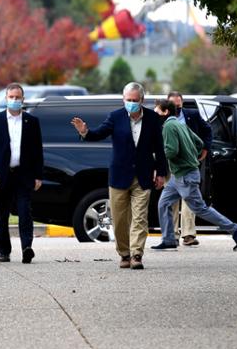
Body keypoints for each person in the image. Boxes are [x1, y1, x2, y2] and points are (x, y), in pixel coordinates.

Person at [71, 82, 167, 270]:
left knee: (140, 217)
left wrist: (161, 173)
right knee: (119, 218)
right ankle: (124, 254)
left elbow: (159, 149)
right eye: (128, 100)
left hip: (143, 175)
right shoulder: (115, 117)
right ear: (123, 100)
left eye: (135, 100)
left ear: (142, 100)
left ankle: (137, 254)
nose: (131, 103)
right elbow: (99, 134)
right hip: (119, 176)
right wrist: (85, 131)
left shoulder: (153, 119)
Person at [151, 99, 237, 251]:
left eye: (157, 112)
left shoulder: (168, 126)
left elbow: (172, 151)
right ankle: (168, 240)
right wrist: (191, 155)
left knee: (200, 209)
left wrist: (155, 156)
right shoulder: (180, 125)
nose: (155, 115)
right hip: (178, 176)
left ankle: (235, 229)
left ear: (165, 112)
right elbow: (199, 142)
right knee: (164, 204)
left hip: (185, 175)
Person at [0, 83, 43, 264]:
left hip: (23, 175)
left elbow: (37, 150)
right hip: (1, 176)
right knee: (2, 214)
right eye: (11, 97)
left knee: (25, 212)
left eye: (18, 97)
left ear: (23, 99)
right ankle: (4, 251)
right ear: (6, 98)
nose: (15, 100)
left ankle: (27, 248)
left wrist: (38, 175)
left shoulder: (31, 122)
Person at [167, 91, 213, 246]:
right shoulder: (161, 117)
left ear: (182, 103)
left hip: (188, 163)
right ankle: (172, 234)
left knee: (189, 198)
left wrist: (205, 149)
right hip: (170, 163)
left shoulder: (192, 114)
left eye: (178, 105)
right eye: (173, 105)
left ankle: (188, 234)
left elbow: (207, 130)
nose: (176, 107)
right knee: (171, 199)